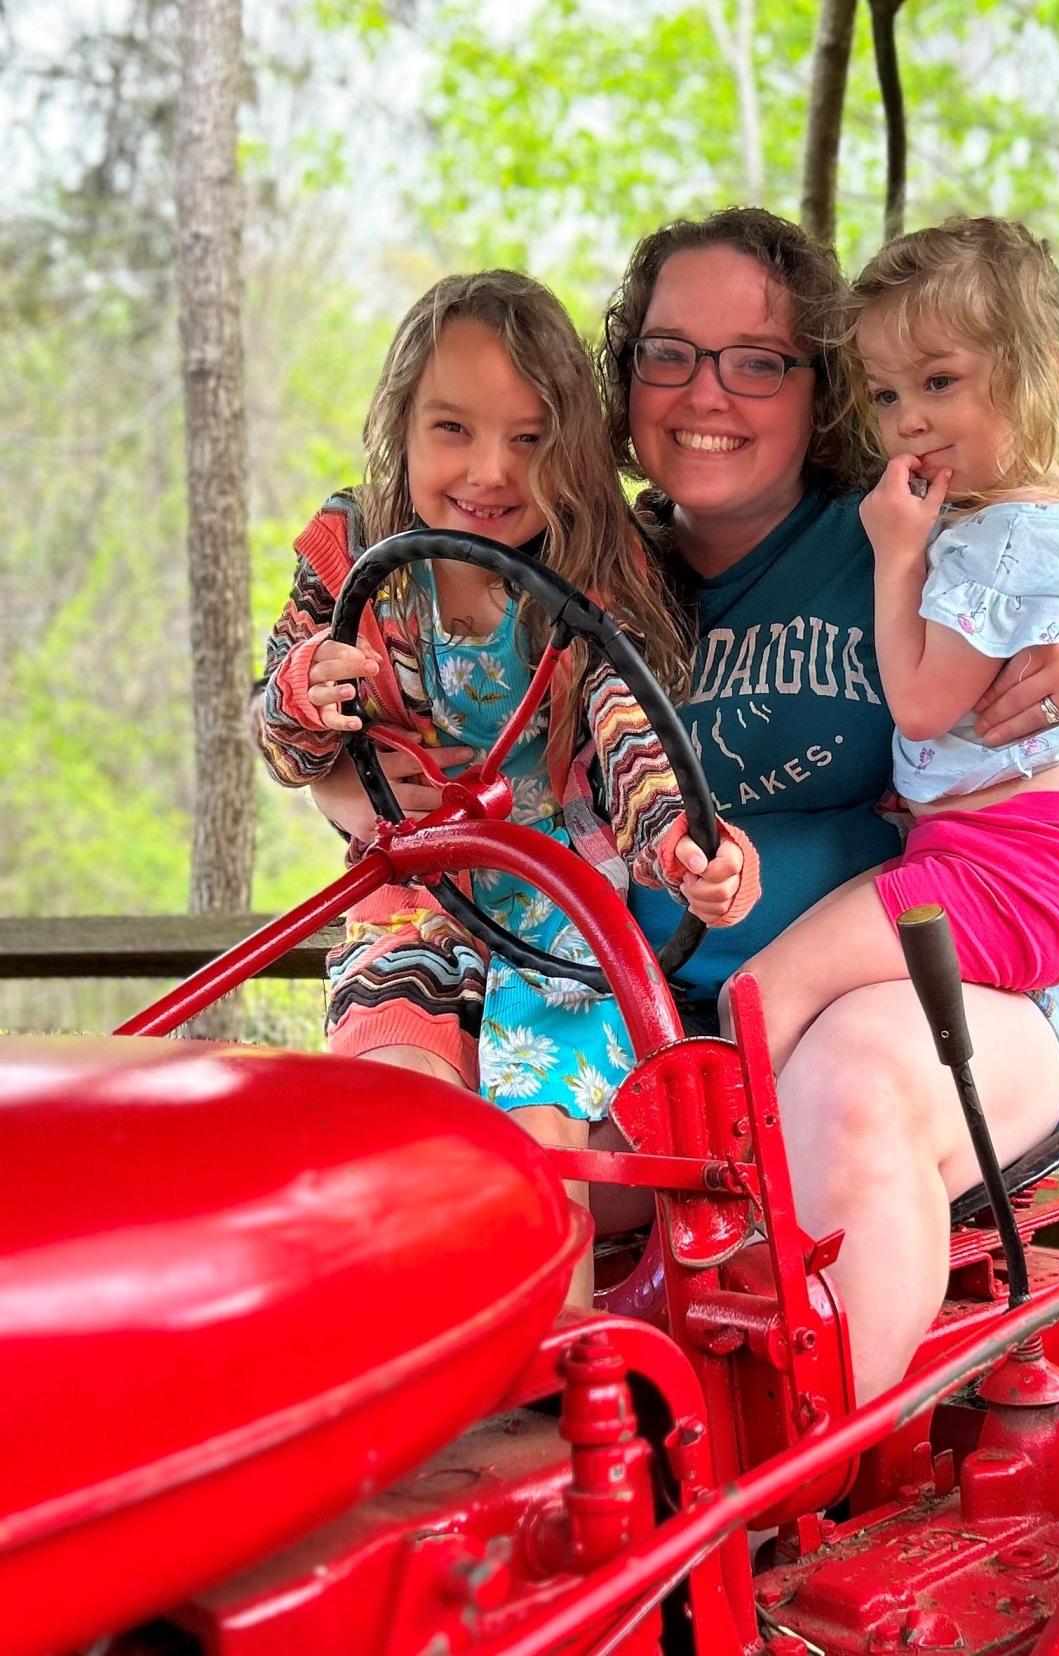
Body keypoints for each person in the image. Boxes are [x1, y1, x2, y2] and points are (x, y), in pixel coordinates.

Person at [596, 206, 1059, 1399]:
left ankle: (798, 1469)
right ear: (626, 379)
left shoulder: (912, 528)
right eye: (669, 352)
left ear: (813, 385)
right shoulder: (593, 571)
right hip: (673, 1015)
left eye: (756, 361)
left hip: (970, 964)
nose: (708, 393)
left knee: (851, 1082)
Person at [253, 270, 757, 1303]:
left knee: (540, 1150)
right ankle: (418, 1377)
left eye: (529, 440)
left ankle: (553, 1396)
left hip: (556, 905)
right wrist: (302, 704)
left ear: (569, 447)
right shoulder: (352, 554)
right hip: (411, 893)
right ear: (400, 424)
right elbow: (282, 740)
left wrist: (677, 843)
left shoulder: (587, 566)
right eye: (453, 429)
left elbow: (629, 738)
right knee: (401, 1116)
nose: (490, 471)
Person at [740, 217, 1059, 1076]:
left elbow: (923, 707)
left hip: (1013, 866)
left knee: (769, 993)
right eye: (887, 396)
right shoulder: (1019, 526)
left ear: (1033, 373)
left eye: (940, 381)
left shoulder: (1002, 544)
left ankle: (723, 1189)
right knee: (786, 991)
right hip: (997, 857)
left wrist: (896, 554)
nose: (910, 419)